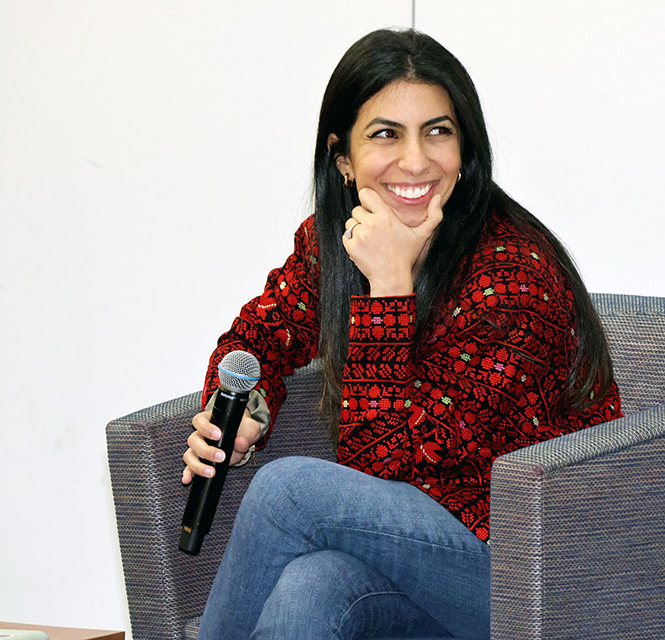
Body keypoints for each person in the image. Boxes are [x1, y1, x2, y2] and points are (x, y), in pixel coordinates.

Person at [182, 28, 622, 640]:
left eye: (437, 131)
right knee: (314, 586)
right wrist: (248, 405)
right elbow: (261, 333)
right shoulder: (336, 240)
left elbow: (385, 468)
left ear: (465, 150)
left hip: (530, 574)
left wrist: (389, 285)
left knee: (288, 491)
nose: (415, 161)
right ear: (342, 158)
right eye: (386, 134)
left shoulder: (513, 277)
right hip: (419, 568)